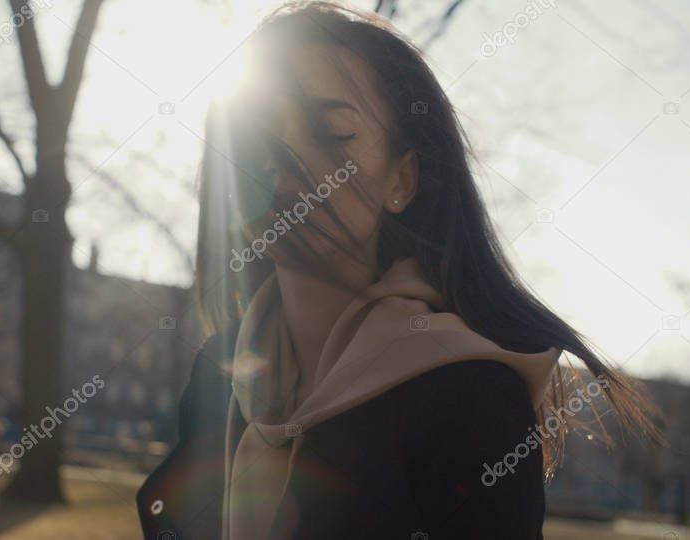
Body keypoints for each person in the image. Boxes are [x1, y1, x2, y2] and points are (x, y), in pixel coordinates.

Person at [137, 2, 659, 538]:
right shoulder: (217, 372)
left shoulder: (470, 399)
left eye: (331, 131)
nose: (281, 156)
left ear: (401, 181)